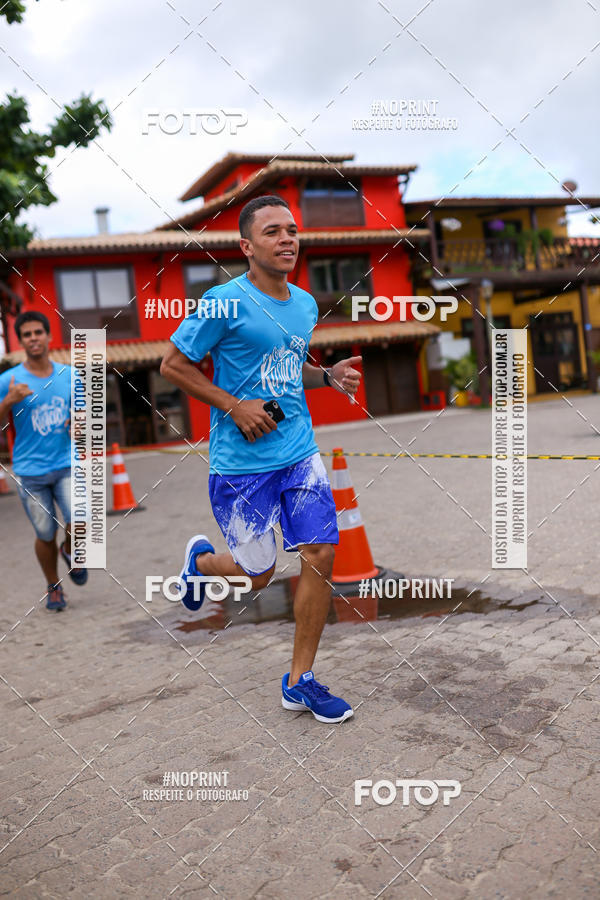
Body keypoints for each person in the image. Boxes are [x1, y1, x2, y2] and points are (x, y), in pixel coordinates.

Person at [161, 195, 362, 724]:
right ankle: (202, 564)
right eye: (273, 232)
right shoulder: (222, 302)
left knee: (319, 553)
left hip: (298, 451)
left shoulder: (304, 304)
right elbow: (173, 365)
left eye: (292, 230)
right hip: (240, 464)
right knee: (258, 572)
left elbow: (286, 367)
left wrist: (327, 376)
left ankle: (301, 682)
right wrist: (234, 406)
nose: (287, 239)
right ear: (247, 247)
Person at [0, 311, 88, 611]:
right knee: (44, 534)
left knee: (79, 520)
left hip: (67, 463)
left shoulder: (69, 375)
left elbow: (81, 413)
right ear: (21, 341)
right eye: (27, 334)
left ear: (49, 336)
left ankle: (70, 550)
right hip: (29, 471)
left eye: (38, 332)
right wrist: (8, 402)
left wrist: (79, 422)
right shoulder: (8, 380)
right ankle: (53, 586)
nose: (33, 338)